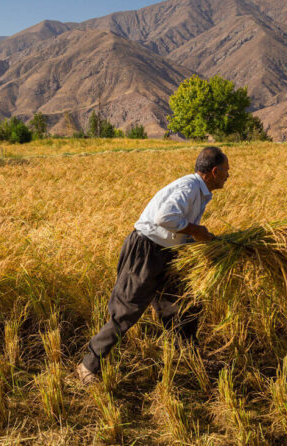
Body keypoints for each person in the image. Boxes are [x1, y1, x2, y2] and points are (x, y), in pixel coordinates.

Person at [76, 146, 230, 385]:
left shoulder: (199, 191)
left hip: (168, 253)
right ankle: (88, 365)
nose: (228, 175)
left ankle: (189, 358)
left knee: (186, 304)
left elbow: (176, 227)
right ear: (214, 171)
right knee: (126, 311)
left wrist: (204, 240)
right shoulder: (189, 187)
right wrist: (195, 231)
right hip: (146, 252)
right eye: (226, 170)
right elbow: (164, 218)